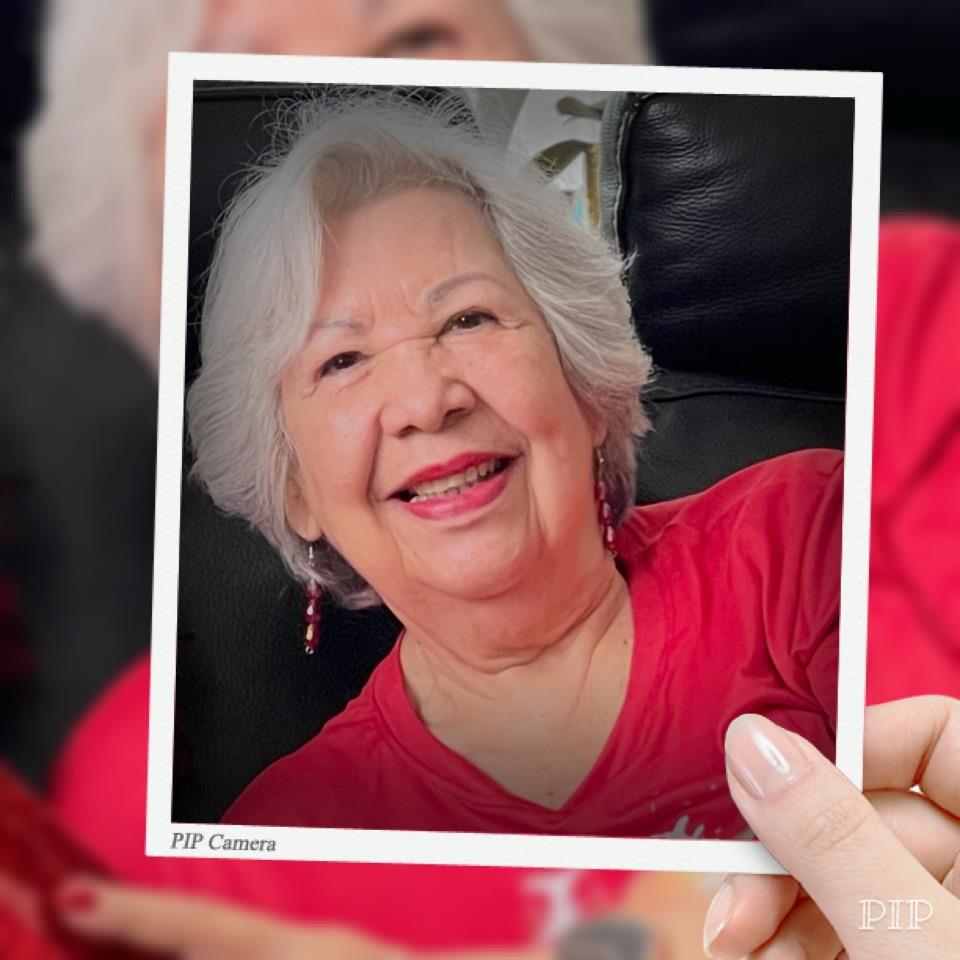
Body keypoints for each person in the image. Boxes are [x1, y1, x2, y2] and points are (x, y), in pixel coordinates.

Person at [171, 88, 843, 837]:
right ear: (294, 484)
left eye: (468, 318)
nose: (426, 402)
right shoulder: (283, 843)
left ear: (585, 385)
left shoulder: (813, 540)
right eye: (341, 360)